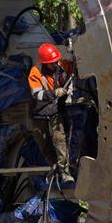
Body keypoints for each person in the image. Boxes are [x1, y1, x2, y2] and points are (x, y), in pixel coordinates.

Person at [28, 42, 75, 183]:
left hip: (55, 111)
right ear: (45, 63)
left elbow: (74, 65)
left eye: (56, 61)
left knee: (59, 139)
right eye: (52, 63)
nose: (56, 64)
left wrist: (72, 51)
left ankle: (64, 171)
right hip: (39, 112)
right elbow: (37, 94)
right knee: (43, 142)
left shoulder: (62, 65)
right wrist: (54, 93)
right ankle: (54, 166)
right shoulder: (35, 72)